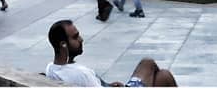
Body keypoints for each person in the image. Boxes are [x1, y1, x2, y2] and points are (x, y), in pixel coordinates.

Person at [45, 20, 176, 87]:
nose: (81, 39)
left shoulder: (51, 68)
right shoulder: (80, 74)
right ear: (63, 45)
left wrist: (108, 85)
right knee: (149, 64)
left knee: (163, 76)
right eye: (75, 37)